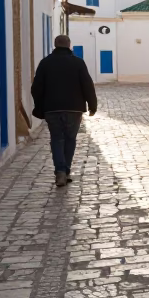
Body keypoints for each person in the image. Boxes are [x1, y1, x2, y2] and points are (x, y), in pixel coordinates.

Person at [31, 34, 98, 188]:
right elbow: (87, 85)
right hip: (74, 109)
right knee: (70, 139)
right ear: (69, 45)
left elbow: (36, 88)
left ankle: (60, 171)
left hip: (52, 109)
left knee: (56, 139)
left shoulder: (45, 63)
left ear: (55, 45)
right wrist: (92, 105)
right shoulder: (78, 63)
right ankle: (65, 170)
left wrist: (39, 106)